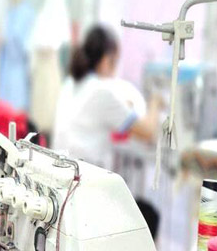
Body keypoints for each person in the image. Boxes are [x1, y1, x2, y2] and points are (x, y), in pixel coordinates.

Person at [52, 25, 161, 171]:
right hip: (82, 174)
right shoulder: (101, 93)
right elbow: (147, 132)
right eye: (115, 62)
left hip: (60, 169)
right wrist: (155, 101)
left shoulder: (70, 83)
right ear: (106, 61)